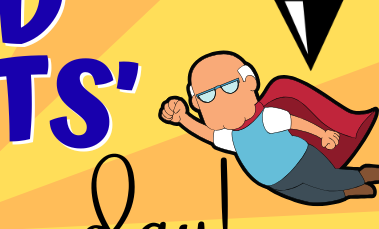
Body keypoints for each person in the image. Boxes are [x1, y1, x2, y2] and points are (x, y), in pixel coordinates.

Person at [159, 51, 378, 204]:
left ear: (249, 82)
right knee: (314, 197)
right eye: (207, 95)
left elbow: (295, 122)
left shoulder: (267, 117)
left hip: (302, 163)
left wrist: (322, 134)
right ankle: (349, 192)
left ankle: (366, 174)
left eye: (230, 86)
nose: (220, 98)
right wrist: (183, 119)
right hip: (277, 183)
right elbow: (208, 134)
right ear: (197, 103)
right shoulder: (231, 137)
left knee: (332, 181)